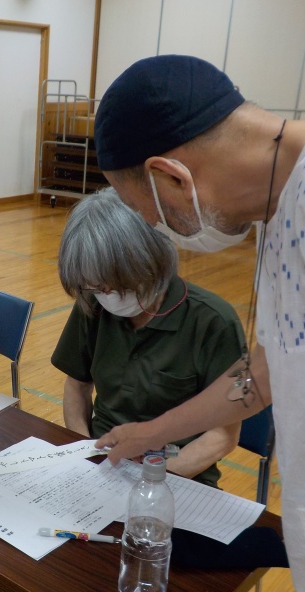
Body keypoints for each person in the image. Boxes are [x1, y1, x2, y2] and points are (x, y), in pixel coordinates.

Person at [91, 54, 305, 592]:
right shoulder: (281, 207)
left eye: (143, 208)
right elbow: (263, 374)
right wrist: (153, 432)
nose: (150, 224)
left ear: (171, 176)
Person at [52, 187, 243, 487]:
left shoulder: (213, 322)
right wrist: (85, 454)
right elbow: (76, 387)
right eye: (97, 288)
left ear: (152, 261)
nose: (108, 296)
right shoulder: (93, 304)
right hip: (104, 465)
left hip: (179, 475)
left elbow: (223, 434)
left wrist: (155, 480)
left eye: (119, 285)